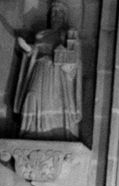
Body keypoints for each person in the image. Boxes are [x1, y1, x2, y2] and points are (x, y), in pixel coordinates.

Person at [13, 0, 82, 140]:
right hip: (40, 67)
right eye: (53, 13)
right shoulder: (41, 34)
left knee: (54, 100)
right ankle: (30, 130)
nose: (55, 16)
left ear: (64, 17)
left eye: (59, 13)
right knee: (32, 94)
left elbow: (75, 60)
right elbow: (34, 51)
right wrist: (26, 47)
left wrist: (64, 52)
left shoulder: (67, 35)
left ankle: (57, 132)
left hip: (57, 73)